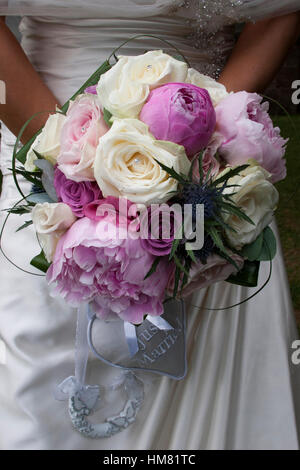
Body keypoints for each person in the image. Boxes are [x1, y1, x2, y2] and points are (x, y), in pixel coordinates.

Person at [0, 0, 300, 450]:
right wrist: (73, 161)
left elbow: (282, 7)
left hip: (210, 164)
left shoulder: (209, 150)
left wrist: (203, 136)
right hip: (45, 137)